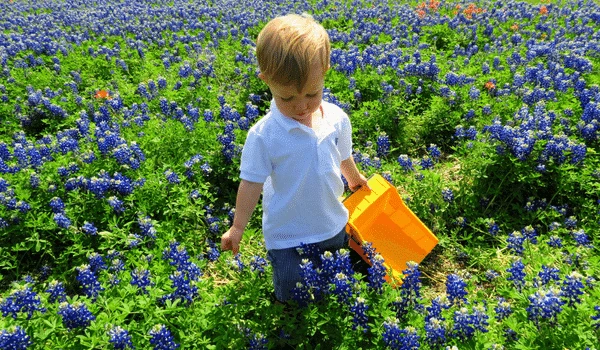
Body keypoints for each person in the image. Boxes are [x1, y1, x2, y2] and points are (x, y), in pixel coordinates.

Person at [221, 13, 369, 302]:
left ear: (325, 70)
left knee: (333, 281)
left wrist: (354, 177)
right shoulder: (264, 135)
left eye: (311, 94)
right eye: (287, 98)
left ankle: (328, 307)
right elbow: (251, 183)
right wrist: (238, 227)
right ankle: (295, 320)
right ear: (266, 81)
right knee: (292, 288)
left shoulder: (337, 118)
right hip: (286, 234)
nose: (301, 106)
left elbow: (342, 155)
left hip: (331, 223)